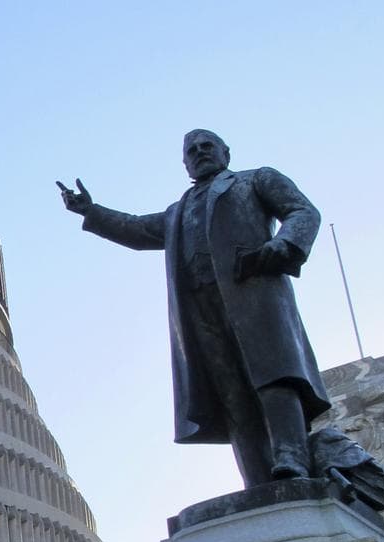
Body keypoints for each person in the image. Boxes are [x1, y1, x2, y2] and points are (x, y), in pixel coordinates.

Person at [57, 129, 330, 488]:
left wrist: (284, 244)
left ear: (226, 153)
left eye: (207, 146)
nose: (200, 153)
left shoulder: (256, 180)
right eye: (192, 151)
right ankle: (258, 481)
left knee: (273, 375)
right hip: (202, 309)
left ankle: (292, 457)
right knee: (232, 394)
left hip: (254, 293)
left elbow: (302, 211)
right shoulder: (178, 212)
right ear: (185, 163)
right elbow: (137, 229)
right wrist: (90, 210)